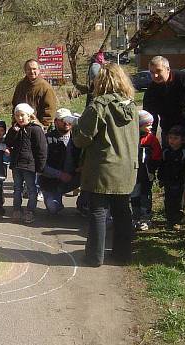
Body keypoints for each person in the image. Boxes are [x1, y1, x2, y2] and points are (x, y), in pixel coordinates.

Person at [73, 63, 139, 267]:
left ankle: (94, 257)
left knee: (98, 212)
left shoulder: (98, 106)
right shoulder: (132, 107)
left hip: (103, 166)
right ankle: (123, 255)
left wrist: (76, 126)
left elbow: (81, 139)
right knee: (122, 211)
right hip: (128, 166)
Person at [142, 56, 185, 146]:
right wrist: (150, 136)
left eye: (158, 71)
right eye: (152, 72)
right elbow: (149, 116)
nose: (155, 76)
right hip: (168, 130)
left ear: (168, 69)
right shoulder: (151, 90)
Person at [5, 103, 47, 224]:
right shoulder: (15, 129)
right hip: (17, 165)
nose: (20, 118)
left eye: (22, 115)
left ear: (29, 115)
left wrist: (41, 167)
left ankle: (30, 211)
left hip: (30, 165)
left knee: (31, 189)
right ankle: (17, 209)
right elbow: (8, 142)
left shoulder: (36, 129)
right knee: (17, 188)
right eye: (17, 115)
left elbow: (41, 150)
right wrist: (13, 131)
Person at [39, 108, 81, 215]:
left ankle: (83, 203)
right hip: (52, 181)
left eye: (69, 119)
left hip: (75, 177)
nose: (66, 122)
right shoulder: (46, 139)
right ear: (56, 122)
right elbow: (41, 166)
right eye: (62, 120)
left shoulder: (79, 138)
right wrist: (60, 174)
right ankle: (52, 198)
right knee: (53, 208)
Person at [131, 110, 161, 231]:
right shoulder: (132, 138)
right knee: (134, 195)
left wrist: (153, 167)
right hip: (134, 173)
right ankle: (135, 217)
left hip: (147, 173)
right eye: (147, 125)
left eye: (151, 124)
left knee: (146, 195)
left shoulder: (151, 139)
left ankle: (146, 217)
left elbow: (157, 154)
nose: (150, 127)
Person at [158, 125, 185, 229]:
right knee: (168, 201)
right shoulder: (166, 151)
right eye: (170, 138)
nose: (172, 141)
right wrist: (161, 178)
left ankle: (178, 220)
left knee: (179, 202)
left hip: (181, 182)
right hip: (168, 181)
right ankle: (170, 220)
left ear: (183, 140)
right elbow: (162, 166)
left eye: (175, 138)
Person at [12, 59, 58, 128]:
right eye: (29, 69)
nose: (32, 71)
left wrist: (43, 126)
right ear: (25, 71)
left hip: (37, 126)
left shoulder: (45, 87)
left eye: (34, 69)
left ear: (39, 70)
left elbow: (49, 110)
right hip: (20, 124)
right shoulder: (20, 86)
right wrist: (14, 121)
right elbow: (15, 104)